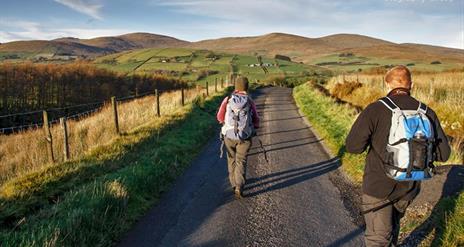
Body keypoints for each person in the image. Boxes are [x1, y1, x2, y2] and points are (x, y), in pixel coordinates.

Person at [345, 65, 450, 246]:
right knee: (391, 232)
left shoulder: (375, 109)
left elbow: (353, 147)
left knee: (378, 239)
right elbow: (444, 154)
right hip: (408, 187)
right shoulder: (426, 112)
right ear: (412, 85)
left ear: (387, 84)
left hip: (378, 187)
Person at [216, 76, 259, 199]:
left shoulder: (228, 99)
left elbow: (219, 117)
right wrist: (254, 127)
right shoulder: (249, 101)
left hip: (228, 136)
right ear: (247, 87)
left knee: (231, 159)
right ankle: (240, 185)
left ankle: (234, 184)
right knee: (241, 160)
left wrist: (225, 122)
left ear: (236, 87)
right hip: (244, 136)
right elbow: (256, 119)